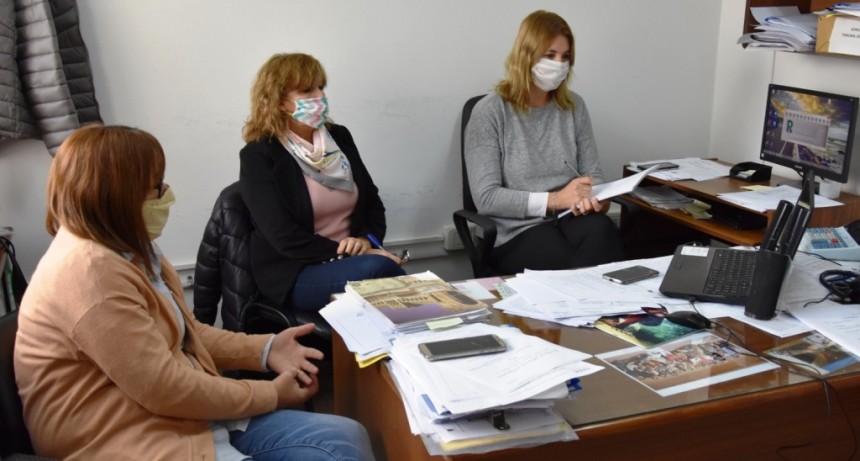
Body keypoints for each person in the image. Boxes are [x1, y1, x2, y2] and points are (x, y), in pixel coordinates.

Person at [14, 125, 376, 461]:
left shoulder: (130, 250)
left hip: (174, 418)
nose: (166, 193)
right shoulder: (89, 273)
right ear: (118, 197)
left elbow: (187, 332)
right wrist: (271, 394)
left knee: (346, 436)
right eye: (156, 186)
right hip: (126, 438)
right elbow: (164, 388)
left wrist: (266, 349)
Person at [240, 53, 405, 312]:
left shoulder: (339, 137)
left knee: (383, 275)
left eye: (320, 87)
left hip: (354, 260)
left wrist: (364, 240)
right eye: (307, 90)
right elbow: (283, 236)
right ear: (280, 102)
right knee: (381, 269)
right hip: (297, 272)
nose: (319, 96)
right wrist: (347, 252)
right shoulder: (259, 155)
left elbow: (372, 202)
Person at [465, 10, 624, 274]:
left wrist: (596, 198)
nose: (559, 64)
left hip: (569, 217)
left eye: (565, 57)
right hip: (516, 229)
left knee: (604, 232)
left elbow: (592, 174)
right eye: (550, 55)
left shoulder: (574, 106)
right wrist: (556, 199)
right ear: (526, 54)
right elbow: (487, 198)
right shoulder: (490, 112)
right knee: (564, 262)